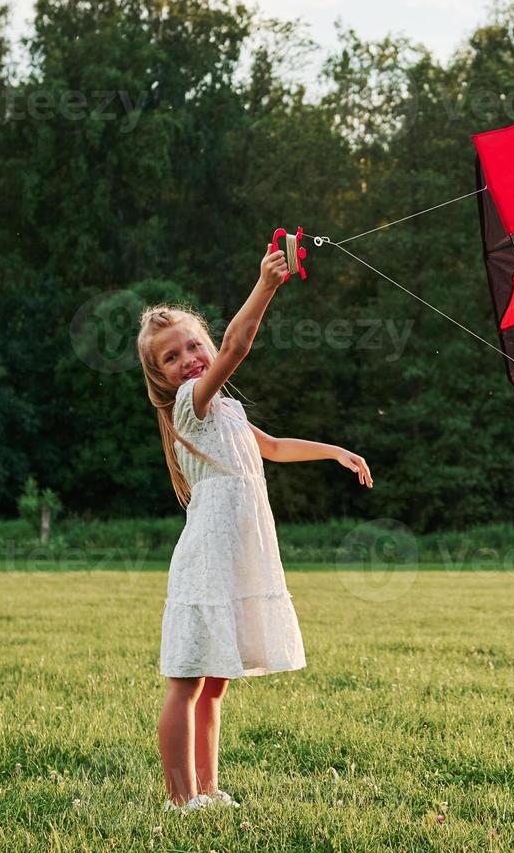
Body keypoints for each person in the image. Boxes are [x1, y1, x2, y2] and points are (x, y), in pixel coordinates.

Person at [135, 247, 373, 813]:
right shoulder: (191, 405)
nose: (189, 358)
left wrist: (336, 452)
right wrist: (266, 285)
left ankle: (208, 790)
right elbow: (239, 345)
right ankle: (179, 799)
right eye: (172, 356)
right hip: (206, 561)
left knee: (216, 681)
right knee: (187, 681)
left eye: (195, 345)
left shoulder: (228, 411)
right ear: (161, 377)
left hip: (236, 557)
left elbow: (271, 448)